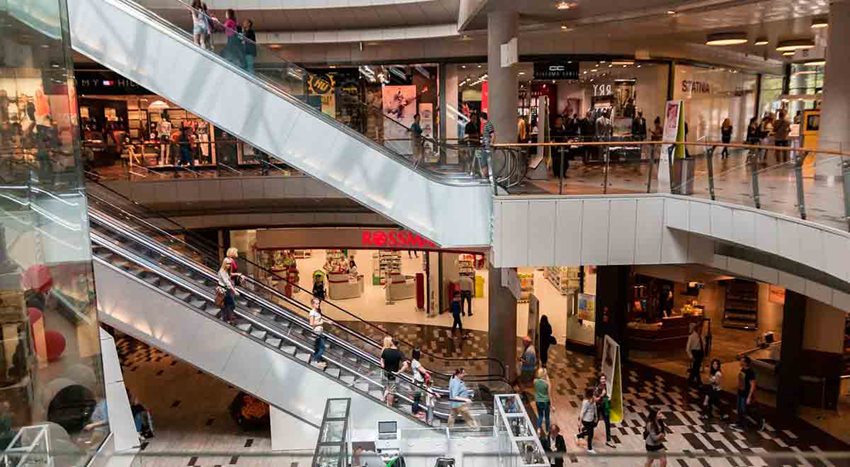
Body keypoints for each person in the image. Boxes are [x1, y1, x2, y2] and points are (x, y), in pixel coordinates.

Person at [735, 356, 764, 431]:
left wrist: (749, 396)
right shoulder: (743, 369)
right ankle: (739, 423)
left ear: (745, 363)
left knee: (744, 409)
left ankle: (746, 425)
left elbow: (753, 385)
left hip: (745, 394)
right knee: (739, 408)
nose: (740, 362)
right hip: (740, 392)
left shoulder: (750, 372)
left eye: (742, 361)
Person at [380, 337, 408, 407]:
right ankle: (389, 405)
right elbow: (406, 365)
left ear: (391, 342)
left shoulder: (385, 350)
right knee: (391, 391)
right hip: (393, 374)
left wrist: (383, 365)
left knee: (388, 387)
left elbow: (382, 360)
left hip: (385, 372)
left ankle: (385, 400)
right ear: (397, 344)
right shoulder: (399, 353)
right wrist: (399, 372)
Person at [575, 387, 598, 454]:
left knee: (589, 432)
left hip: (591, 419)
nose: (594, 393)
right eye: (593, 392)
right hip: (586, 420)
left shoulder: (593, 399)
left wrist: (596, 416)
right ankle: (589, 448)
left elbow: (595, 408)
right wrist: (579, 422)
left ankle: (578, 436)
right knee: (590, 434)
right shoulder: (585, 402)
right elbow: (582, 412)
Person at [596, 374, 615, 448]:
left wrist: (606, 397)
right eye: (602, 379)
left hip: (605, 406)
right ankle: (582, 433)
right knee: (595, 423)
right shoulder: (598, 388)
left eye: (604, 379)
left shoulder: (604, 385)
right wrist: (602, 395)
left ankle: (608, 440)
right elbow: (596, 399)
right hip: (599, 407)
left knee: (607, 423)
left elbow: (604, 396)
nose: (603, 380)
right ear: (599, 380)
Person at [308, 298, 327, 369]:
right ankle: (316, 360)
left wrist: (327, 321)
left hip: (319, 331)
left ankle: (317, 361)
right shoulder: (312, 312)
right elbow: (311, 323)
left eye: (318, 303)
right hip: (316, 331)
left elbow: (320, 319)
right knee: (321, 347)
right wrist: (320, 322)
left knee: (318, 347)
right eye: (316, 303)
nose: (318, 305)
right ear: (312, 304)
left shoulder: (317, 311)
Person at [217, 258, 239, 323]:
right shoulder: (222, 271)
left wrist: (237, 274)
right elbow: (227, 282)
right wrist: (234, 291)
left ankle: (228, 318)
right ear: (224, 264)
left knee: (228, 304)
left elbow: (230, 275)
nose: (229, 265)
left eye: (229, 264)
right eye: (227, 264)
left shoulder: (226, 271)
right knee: (229, 304)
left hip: (226, 290)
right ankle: (229, 318)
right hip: (223, 290)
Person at [534, 368, 551, 432]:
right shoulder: (547, 383)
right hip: (545, 401)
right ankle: (547, 430)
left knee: (540, 416)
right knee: (547, 417)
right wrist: (552, 405)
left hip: (538, 401)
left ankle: (538, 428)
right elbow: (549, 395)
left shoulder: (535, 381)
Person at [479, 112, 495, 180]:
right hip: (485, 146)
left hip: (486, 147)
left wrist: (491, 143)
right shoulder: (487, 125)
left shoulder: (488, 125)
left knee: (484, 162)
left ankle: (485, 178)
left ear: (481, 118)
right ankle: (485, 177)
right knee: (484, 162)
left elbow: (492, 135)